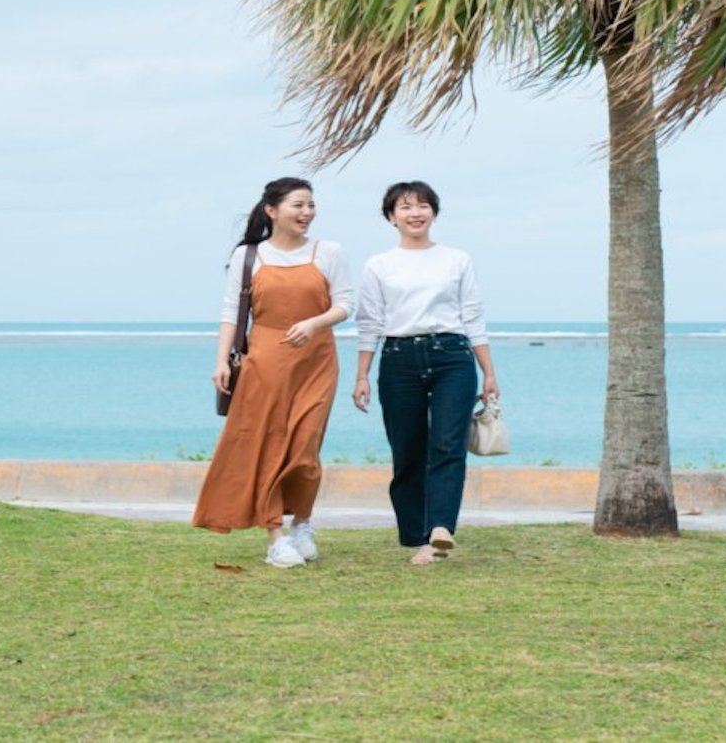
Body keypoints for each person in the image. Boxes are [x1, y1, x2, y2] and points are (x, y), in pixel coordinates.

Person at [192, 177, 353, 568]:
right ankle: (274, 534)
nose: (307, 213)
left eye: (311, 205)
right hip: (263, 361)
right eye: (299, 205)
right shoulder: (250, 256)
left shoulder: (328, 251)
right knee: (268, 446)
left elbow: (346, 305)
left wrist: (314, 324)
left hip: (316, 361)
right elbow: (232, 313)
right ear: (272, 210)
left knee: (305, 448)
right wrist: (220, 362)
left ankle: (303, 522)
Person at [351, 180, 500, 565]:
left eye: (422, 206)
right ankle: (417, 536)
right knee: (408, 452)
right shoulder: (379, 265)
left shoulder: (457, 259)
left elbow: (473, 318)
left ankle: (440, 530)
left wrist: (489, 373)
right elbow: (369, 324)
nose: (415, 213)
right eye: (405, 207)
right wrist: (362, 375)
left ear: (434, 212)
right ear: (391, 217)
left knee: (448, 447)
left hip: (452, 355)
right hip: (398, 359)